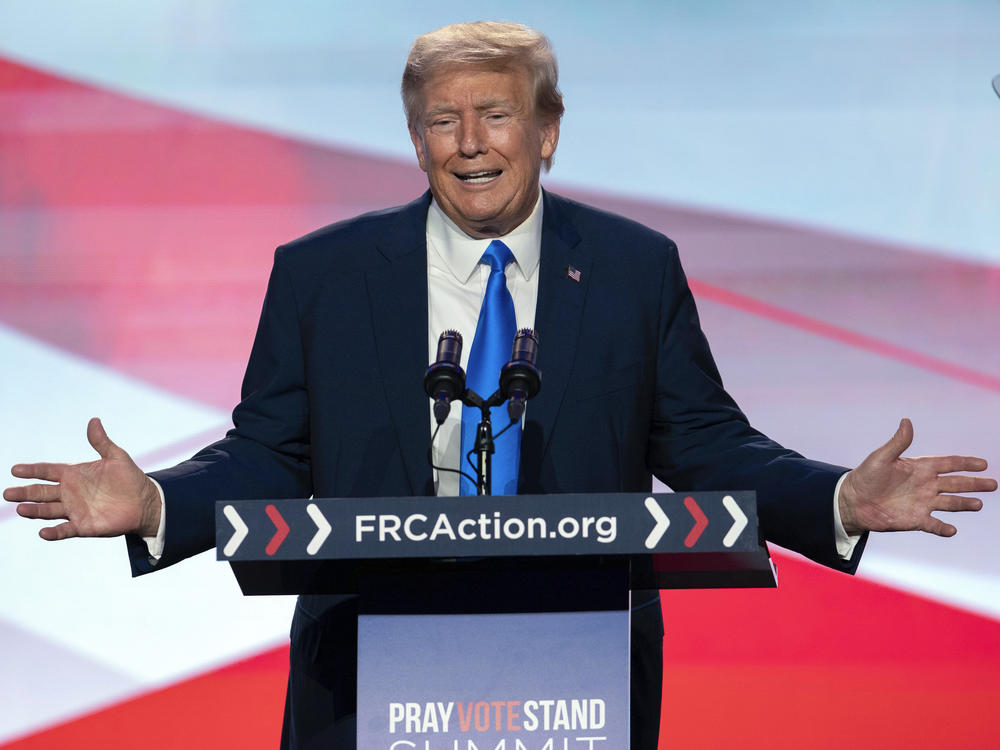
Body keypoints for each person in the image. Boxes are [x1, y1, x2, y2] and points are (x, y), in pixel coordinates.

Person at [4, 21, 994, 750]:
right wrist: (158, 502)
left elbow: (703, 446)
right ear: (416, 139)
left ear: (548, 130)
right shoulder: (324, 274)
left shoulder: (630, 267)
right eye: (442, 121)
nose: (469, 142)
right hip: (363, 678)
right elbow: (269, 450)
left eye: (494, 115)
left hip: (576, 680)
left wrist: (835, 498)